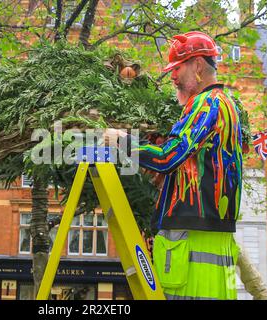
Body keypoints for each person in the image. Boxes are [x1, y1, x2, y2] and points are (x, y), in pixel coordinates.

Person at [104, 31, 243, 300]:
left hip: (188, 240)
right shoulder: (228, 105)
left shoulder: (206, 104)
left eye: (177, 68)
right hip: (213, 238)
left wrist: (122, 141)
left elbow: (169, 157)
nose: (172, 76)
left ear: (198, 66)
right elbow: (194, 159)